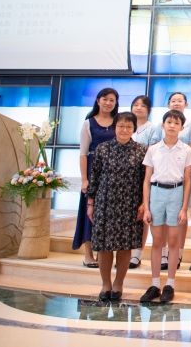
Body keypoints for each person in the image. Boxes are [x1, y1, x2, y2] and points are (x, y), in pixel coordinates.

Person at [86, 111, 148, 302]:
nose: (124, 130)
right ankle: (106, 284)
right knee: (104, 246)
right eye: (121, 126)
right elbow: (94, 177)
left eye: (129, 126)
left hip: (130, 204)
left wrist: (144, 203)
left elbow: (145, 180)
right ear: (114, 127)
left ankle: (119, 283)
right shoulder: (102, 149)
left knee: (125, 246)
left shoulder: (141, 151)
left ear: (134, 129)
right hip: (105, 203)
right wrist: (91, 203)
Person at [139, 110, 191, 303]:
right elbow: (147, 180)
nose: (172, 125)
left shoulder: (186, 150)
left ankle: (170, 284)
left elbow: (188, 181)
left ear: (182, 127)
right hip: (157, 193)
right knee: (157, 241)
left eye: (176, 123)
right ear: (163, 125)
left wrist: (184, 208)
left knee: (173, 241)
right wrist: (147, 207)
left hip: (176, 193)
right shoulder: (153, 149)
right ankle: (155, 284)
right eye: (169, 122)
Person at [74, 87, 119, 268]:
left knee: (108, 214)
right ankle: (88, 255)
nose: (108, 103)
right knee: (89, 213)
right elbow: (83, 153)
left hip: (113, 173)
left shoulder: (118, 122)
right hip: (93, 172)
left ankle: (103, 255)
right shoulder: (89, 123)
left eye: (112, 100)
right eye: (105, 99)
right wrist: (84, 179)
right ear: (98, 101)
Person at [157, 92, 191, 271]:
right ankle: (163, 254)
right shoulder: (161, 124)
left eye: (179, 101)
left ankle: (178, 253)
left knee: (180, 218)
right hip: (162, 178)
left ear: (186, 104)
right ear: (168, 104)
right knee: (162, 220)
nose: (176, 103)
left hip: (181, 176)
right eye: (173, 101)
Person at [129, 95, 160, 270]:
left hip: (144, 173)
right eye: (135, 105)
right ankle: (125, 250)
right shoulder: (127, 124)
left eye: (142, 105)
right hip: (126, 176)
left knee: (143, 212)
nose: (138, 108)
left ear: (149, 109)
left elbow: (151, 154)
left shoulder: (153, 129)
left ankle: (138, 253)